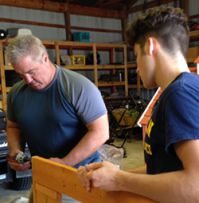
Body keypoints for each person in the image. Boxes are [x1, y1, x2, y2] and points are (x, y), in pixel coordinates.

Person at [78, 6, 199, 202]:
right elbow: (164, 167)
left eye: (136, 55)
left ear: (150, 47)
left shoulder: (180, 94)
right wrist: (113, 175)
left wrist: (119, 180)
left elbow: (196, 187)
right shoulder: (181, 90)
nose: (137, 67)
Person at [6, 35, 109, 202]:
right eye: (21, 75)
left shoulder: (78, 87)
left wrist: (65, 162)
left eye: (31, 72)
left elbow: (101, 132)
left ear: (45, 58)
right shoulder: (17, 93)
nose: (28, 80)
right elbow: (13, 127)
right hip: (44, 174)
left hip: (80, 176)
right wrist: (15, 150)